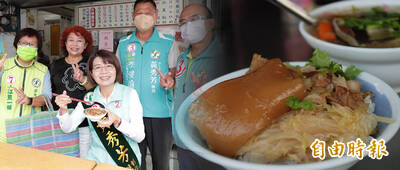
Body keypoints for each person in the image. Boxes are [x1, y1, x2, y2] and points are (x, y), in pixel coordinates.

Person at [55, 50, 145, 168]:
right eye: (98, 67)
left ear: (116, 70)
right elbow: (68, 127)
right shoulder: (88, 98)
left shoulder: (130, 94)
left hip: (125, 161)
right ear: (91, 73)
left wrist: (118, 121)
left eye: (109, 66)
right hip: (97, 161)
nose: (104, 71)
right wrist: (63, 110)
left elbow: (140, 136)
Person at [166, 4, 226, 170]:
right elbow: (182, 91)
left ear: (211, 23)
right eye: (183, 22)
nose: (187, 26)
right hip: (183, 143)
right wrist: (171, 85)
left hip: (210, 147)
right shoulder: (182, 59)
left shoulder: (223, 56)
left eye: (194, 20)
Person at [116, 0, 174, 170]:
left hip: (161, 115)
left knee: (161, 165)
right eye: (139, 12)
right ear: (133, 16)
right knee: (134, 163)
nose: (143, 16)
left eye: (148, 12)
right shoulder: (124, 43)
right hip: (131, 115)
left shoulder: (168, 42)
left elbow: (175, 74)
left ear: (156, 15)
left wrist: (170, 82)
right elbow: (118, 76)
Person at [0, 28, 52, 142]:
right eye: (24, 43)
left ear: (37, 48)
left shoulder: (43, 70)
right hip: (4, 129)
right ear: (17, 44)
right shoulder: (4, 65)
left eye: (32, 44)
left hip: (31, 130)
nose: (27, 47)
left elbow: (47, 98)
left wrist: (30, 100)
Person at [50, 25, 95, 157]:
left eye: (79, 41)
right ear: (65, 43)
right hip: (61, 121)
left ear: (86, 45)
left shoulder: (91, 64)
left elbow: (96, 92)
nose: (75, 44)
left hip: (86, 124)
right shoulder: (55, 65)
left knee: (84, 160)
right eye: (71, 40)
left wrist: (82, 79)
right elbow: (51, 93)